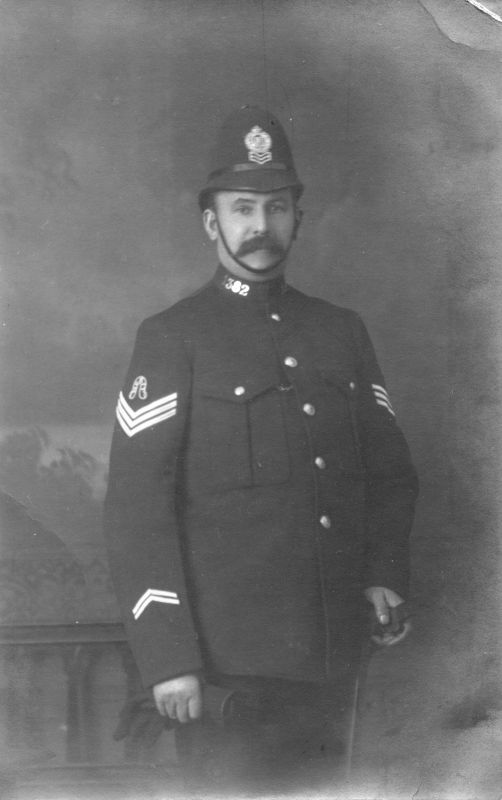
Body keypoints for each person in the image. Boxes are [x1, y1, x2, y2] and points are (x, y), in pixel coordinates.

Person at [104, 105, 418, 794]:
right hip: (223, 669)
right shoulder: (172, 338)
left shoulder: (341, 332)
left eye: (276, 208)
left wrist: (383, 572)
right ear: (211, 221)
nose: (260, 227)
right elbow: (135, 513)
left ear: (297, 219)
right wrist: (168, 658)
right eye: (242, 208)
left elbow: (392, 474)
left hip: (333, 656)